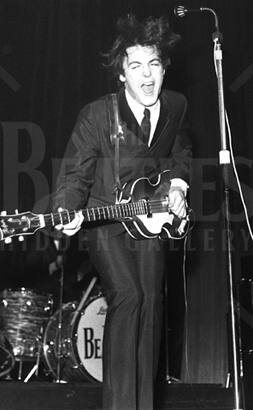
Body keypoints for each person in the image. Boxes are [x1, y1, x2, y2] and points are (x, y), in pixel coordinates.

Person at [53, 14, 192, 410]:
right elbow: (75, 177)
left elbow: (180, 152)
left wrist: (177, 188)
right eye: (135, 66)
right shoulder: (97, 115)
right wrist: (66, 210)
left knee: (151, 304)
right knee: (129, 296)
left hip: (150, 219)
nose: (146, 76)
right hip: (105, 219)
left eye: (154, 64)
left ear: (164, 68)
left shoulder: (176, 106)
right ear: (121, 75)